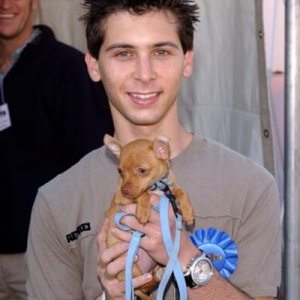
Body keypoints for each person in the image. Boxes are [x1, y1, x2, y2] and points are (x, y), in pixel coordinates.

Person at [26, 0, 281, 300]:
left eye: (161, 52)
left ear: (187, 61)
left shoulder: (251, 187)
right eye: (124, 53)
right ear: (94, 65)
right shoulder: (58, 201)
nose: (144, 73)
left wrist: (185, 257)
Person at [0, 0, 114, 298]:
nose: (5, 3)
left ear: (34, 2)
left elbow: (93, 161)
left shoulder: (68, 69)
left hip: (42, 253)